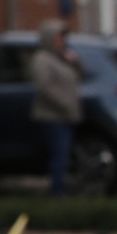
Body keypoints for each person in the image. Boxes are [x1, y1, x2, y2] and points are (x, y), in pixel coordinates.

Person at [30, 19, 83, 195]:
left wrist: (75, 61)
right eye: (59, 38)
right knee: (59, 153)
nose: (62, 42)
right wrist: (65, 104)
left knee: (65, 154)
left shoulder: (63, 58)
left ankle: (60, 188)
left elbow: (81, 75)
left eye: (63, 38)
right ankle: (57, 191)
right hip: (51, 116)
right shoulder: (42, 59)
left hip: (68, 116)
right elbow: (45, 88)